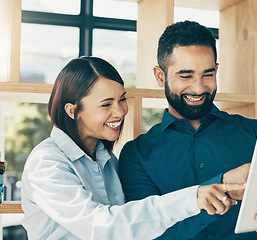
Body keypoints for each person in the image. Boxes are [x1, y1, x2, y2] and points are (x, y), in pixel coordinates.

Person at [119, 21, 257, 239]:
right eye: (186, 76)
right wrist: (221, 186)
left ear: (217, 70)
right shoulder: (137, 155)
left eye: (207, 74)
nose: (199, 88)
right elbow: (145, 233)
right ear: (160, 76)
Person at [20, 56, 245, 240]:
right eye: (106, 104)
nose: (120, 112)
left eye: (122, 99)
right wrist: (191, 198)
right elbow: (102, 227)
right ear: (72, 111)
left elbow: (134, 224)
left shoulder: (107, 160)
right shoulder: (47, 163)